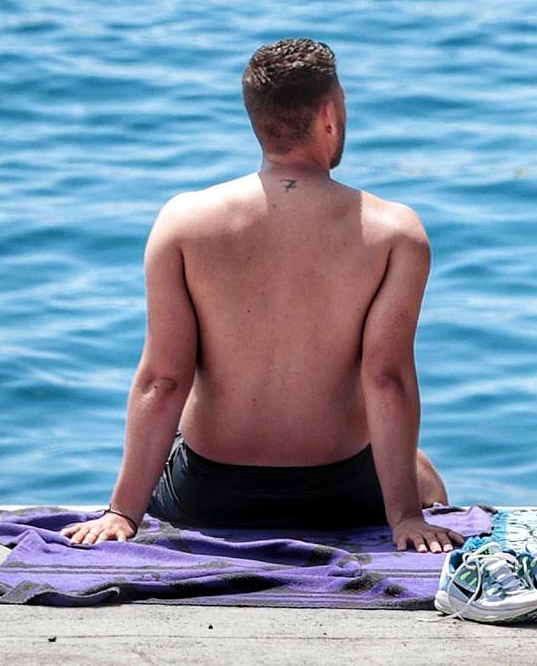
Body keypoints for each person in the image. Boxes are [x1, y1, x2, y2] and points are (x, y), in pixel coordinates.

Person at [60, 38, 461, 552]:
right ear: (329, 113)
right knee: (422, 470)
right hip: (342, 492)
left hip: (207, 492)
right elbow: (386, 380)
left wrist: (122, 513)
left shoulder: (183, 221)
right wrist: (405, 516)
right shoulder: (394, 232)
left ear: (257, 118)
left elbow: (163, 380)